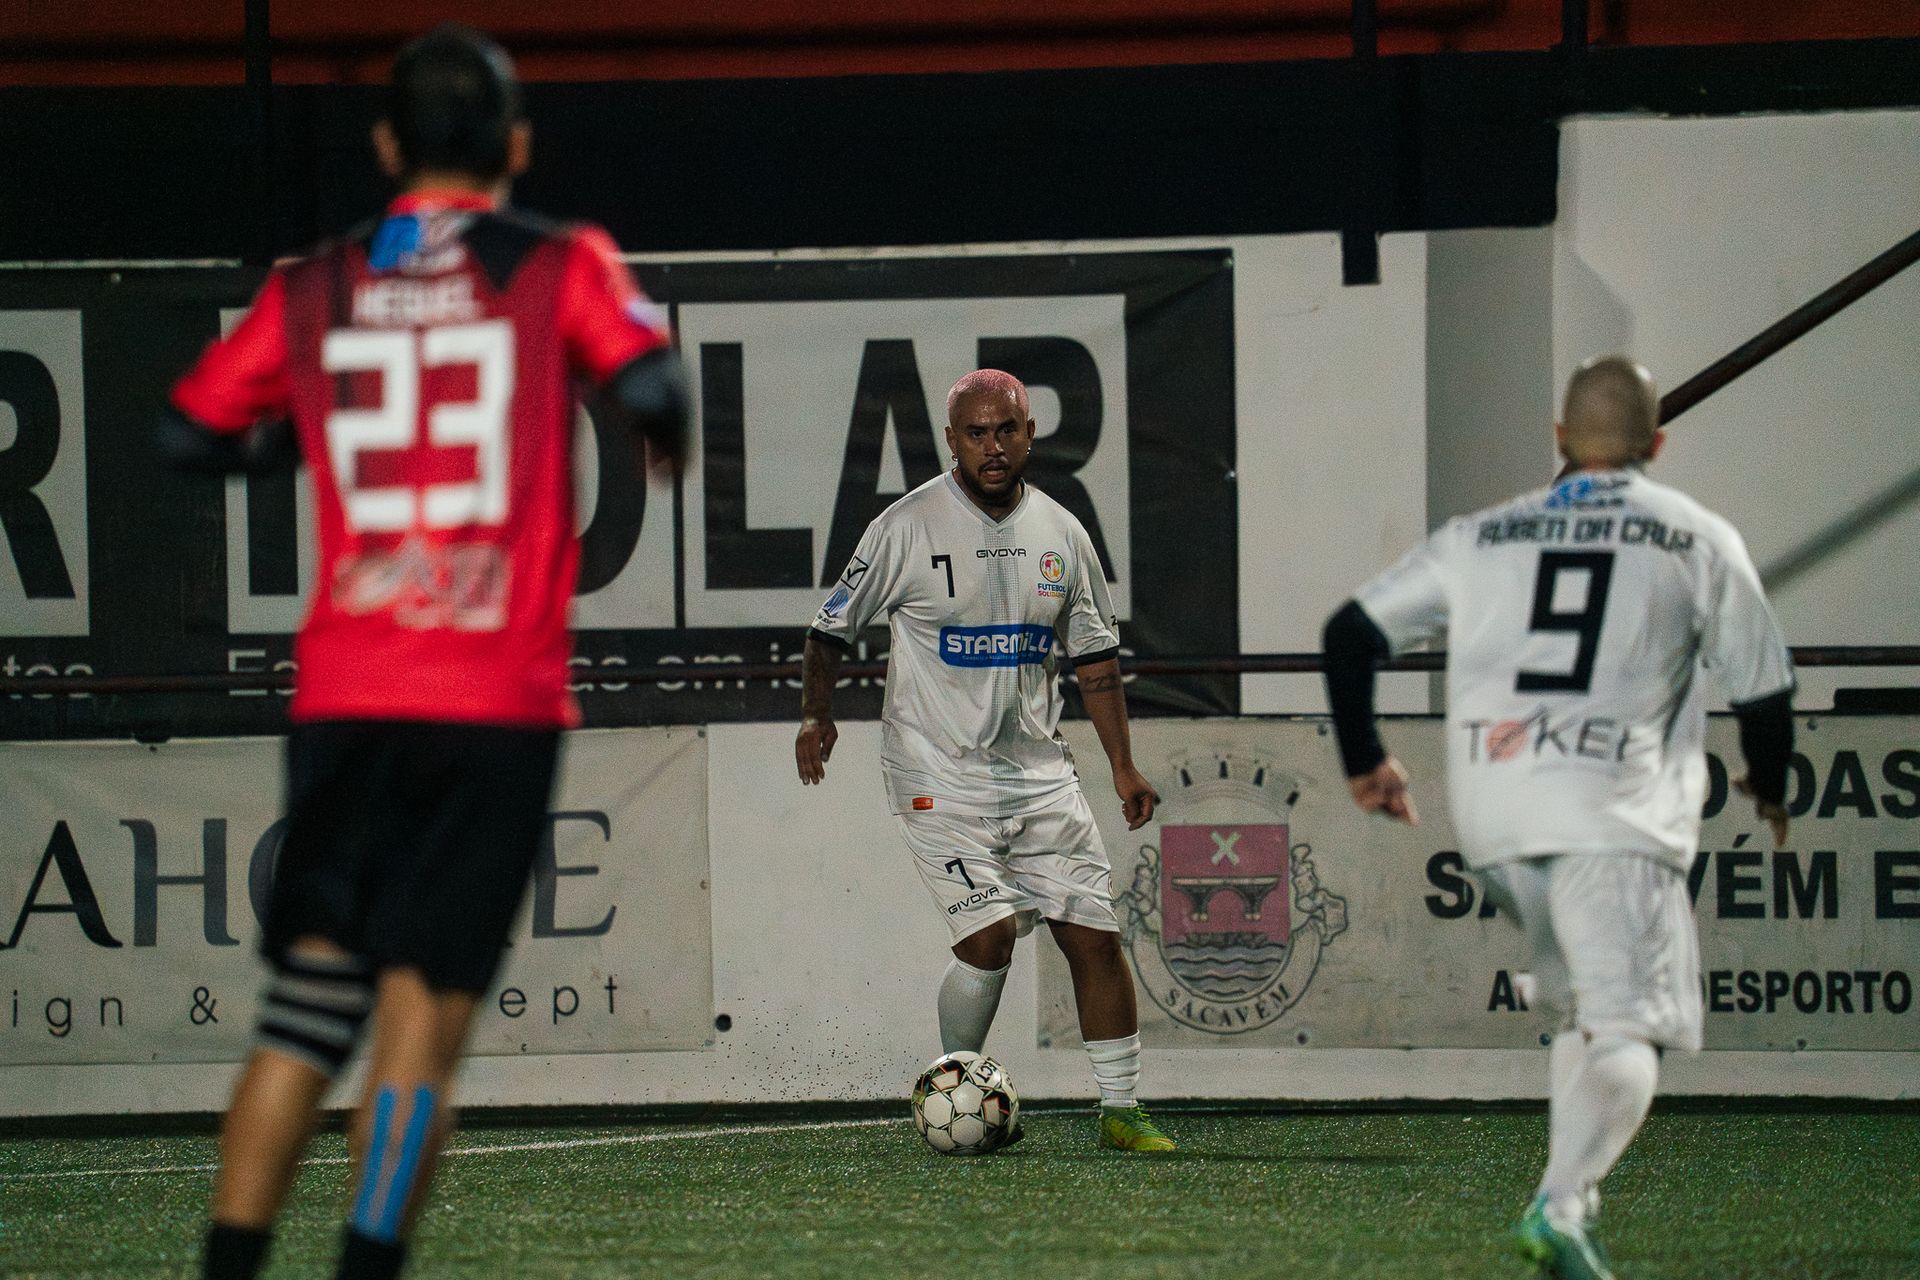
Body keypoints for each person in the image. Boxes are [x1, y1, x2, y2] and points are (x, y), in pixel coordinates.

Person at [161, 25, 687, 1280]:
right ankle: (366, 1268)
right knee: (423, 1018)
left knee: (303, 1014)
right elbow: (654, 389)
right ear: (515, 143)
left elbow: (188, 434)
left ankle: (229, 1265)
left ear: (389, 145)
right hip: (492, 702)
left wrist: (280, 446)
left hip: (350, 691)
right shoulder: (559, 263)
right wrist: (657, 430)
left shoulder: (314, 284)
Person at [1321, 355, 1794, 1280]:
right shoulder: (1695, 538)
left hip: (1496, 820)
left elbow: (1349, 633)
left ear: (1559, 439)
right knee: (1631, 1029)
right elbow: (1767, 690)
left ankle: (1566, 1211)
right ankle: (1560, 1205)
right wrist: (1769, 783)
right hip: (1612, 816)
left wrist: (1363, 759)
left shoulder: (1483, 535)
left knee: (1582, 1010)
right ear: (1656, 444)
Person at [795, 369, 1175, 1152]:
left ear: (1032, 433)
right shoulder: (906, 526)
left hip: (1040, 775)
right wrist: (815, 712)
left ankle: (1122, 1112)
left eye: (1008, 430)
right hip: (935, 773)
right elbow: (828, 630)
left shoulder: (1064, 535)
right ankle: (959, 1080)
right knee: (991, 936)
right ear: (951, 441)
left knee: (1093, 937)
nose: (993, 447)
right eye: (977, 433)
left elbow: (1095, 662)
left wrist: (1123, 767)